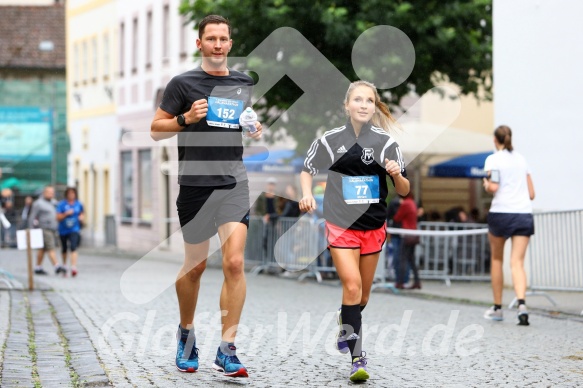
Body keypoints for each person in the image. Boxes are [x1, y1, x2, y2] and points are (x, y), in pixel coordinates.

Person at [150, 14, 262, 378]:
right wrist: (185, 119)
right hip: (195, 185)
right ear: (200, 44)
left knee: (233, 263)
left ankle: (227, 349)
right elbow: (156, 129)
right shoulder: (182, 84)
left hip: (233, 182)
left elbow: (241, 122)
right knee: (196, 266)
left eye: (223, 39)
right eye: (210, 38)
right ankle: (186, 336)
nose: (217, 44)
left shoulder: (243, 82)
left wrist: (253, 125)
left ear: (230, 44)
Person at [299, 80, 409, 382]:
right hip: (340, 224)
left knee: (362, 297)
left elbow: (404, 189)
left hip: (373, 225)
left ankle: (345, 318)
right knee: (351, 286)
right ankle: (357, 357)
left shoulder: (387, 144)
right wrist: (306, 193)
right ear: (346, 106)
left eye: (369, 101)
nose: (363, 105)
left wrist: (397, 175)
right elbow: (307, 168)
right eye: (358, 100)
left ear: (374, 106)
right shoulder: (330, 140)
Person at [482, 125, 535, 326]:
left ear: (496, 140)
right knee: (517, 263)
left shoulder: (493, 159)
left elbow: (493, 187)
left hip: (501, 213)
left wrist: (486, 184)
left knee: (497, 260)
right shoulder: (522, 159)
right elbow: (531, 194)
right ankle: (522, 304)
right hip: (523, 214)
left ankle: (497, 308)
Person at [28, 186, 65, 275]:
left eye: (52, 192)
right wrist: (30, 229)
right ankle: (57, 266)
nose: (51, 194)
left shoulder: (54, 202)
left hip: (53, 229)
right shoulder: (38, 203)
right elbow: (32, 216)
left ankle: (38, 267)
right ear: (44, 192)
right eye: (49, 192)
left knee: (42, 248)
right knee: (50, 246)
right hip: (45, 228)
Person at [393, 192, 421, 289]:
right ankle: (417, 281)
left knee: (403, 259)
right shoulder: (412, 202)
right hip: (414, 233)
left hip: (407, 234)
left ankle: (400, 282)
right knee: (412, 260)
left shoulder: (405, 204)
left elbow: (397, 218)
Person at [56, 187, 85, 277]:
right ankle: (65, 265)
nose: (71, 195)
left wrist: (81, 218)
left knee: (73, 247)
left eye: (73, 193)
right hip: (63, 229)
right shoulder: (62, 204)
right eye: (69, 193)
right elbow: (58, 217)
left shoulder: (78, 204)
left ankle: (73, 267)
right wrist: (66, 214)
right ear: (66, 194)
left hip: (74, 229)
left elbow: (81, 213)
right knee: (64, 248)